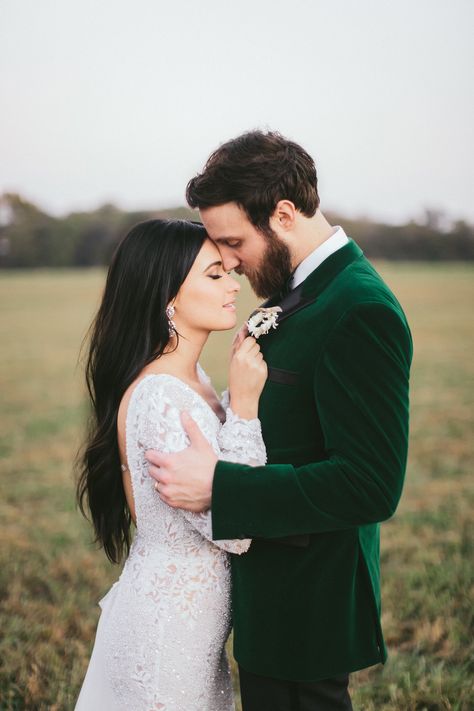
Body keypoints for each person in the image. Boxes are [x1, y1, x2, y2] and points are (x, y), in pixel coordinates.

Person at [146, 131, 414, 711]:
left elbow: (369, 485)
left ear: (284, 214)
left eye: (234, 242)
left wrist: (221, 486)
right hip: (273, 599)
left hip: (308, 607)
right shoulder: (301, 289)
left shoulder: (358, 308)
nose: (231, 263)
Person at [75, 218, 267, 711]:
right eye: (214, 275)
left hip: (190, 629)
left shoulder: (192, 378)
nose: (233, 283)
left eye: (228, 271)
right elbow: (236, 530)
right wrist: (244, 409)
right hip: (168, 632)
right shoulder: (161, 395)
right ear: (169, 298)